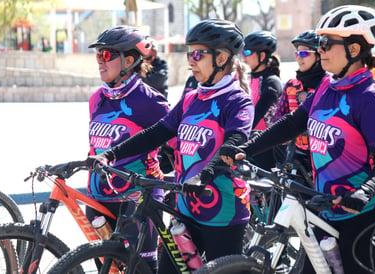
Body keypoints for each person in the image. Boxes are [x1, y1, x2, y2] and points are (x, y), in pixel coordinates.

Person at [219, 5, 375, 273]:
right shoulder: (327, 85)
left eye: (326, 44)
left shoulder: (371, 98)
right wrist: (246, 148)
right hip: (328, 209)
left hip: (367, 214)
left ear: (353, 50)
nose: (320, 50)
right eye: (319, 43)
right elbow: (293, 123)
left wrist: (363, 192)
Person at [88, 18, 254, 273]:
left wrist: (205, 175)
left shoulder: (237, 101)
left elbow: (234, 143)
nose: (191, 60)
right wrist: (110, 155)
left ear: (221, 58)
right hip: (185, 208)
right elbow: (157, 132)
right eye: (190, 53)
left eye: (198, 54)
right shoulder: (190, 98)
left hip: (224, 211)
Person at [86, 25, 169, 272]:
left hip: (137, 199)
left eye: (107, 55)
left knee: (140, 268)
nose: (100, 61)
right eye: (98, 55)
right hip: (99, 197)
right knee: (107, 269)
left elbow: (175, 145)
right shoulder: (96, 99)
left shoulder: (151, 102)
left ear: (129, 60)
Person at [273, 30, 329, 184]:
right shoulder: (291, 85)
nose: (298, 57)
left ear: (318, 55)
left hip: (325, 157)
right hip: (297, 156)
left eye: (304, 53)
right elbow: (279, 117)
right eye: (297, 53)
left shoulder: (329, 85)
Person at [241, 30, 282, 171]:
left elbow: (258, 113)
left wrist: (237, 133)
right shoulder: (247, 78)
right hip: (248, 141)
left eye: (247, 52)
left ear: (262, 55)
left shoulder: (271, 81)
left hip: (267, 147)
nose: (243, 56)